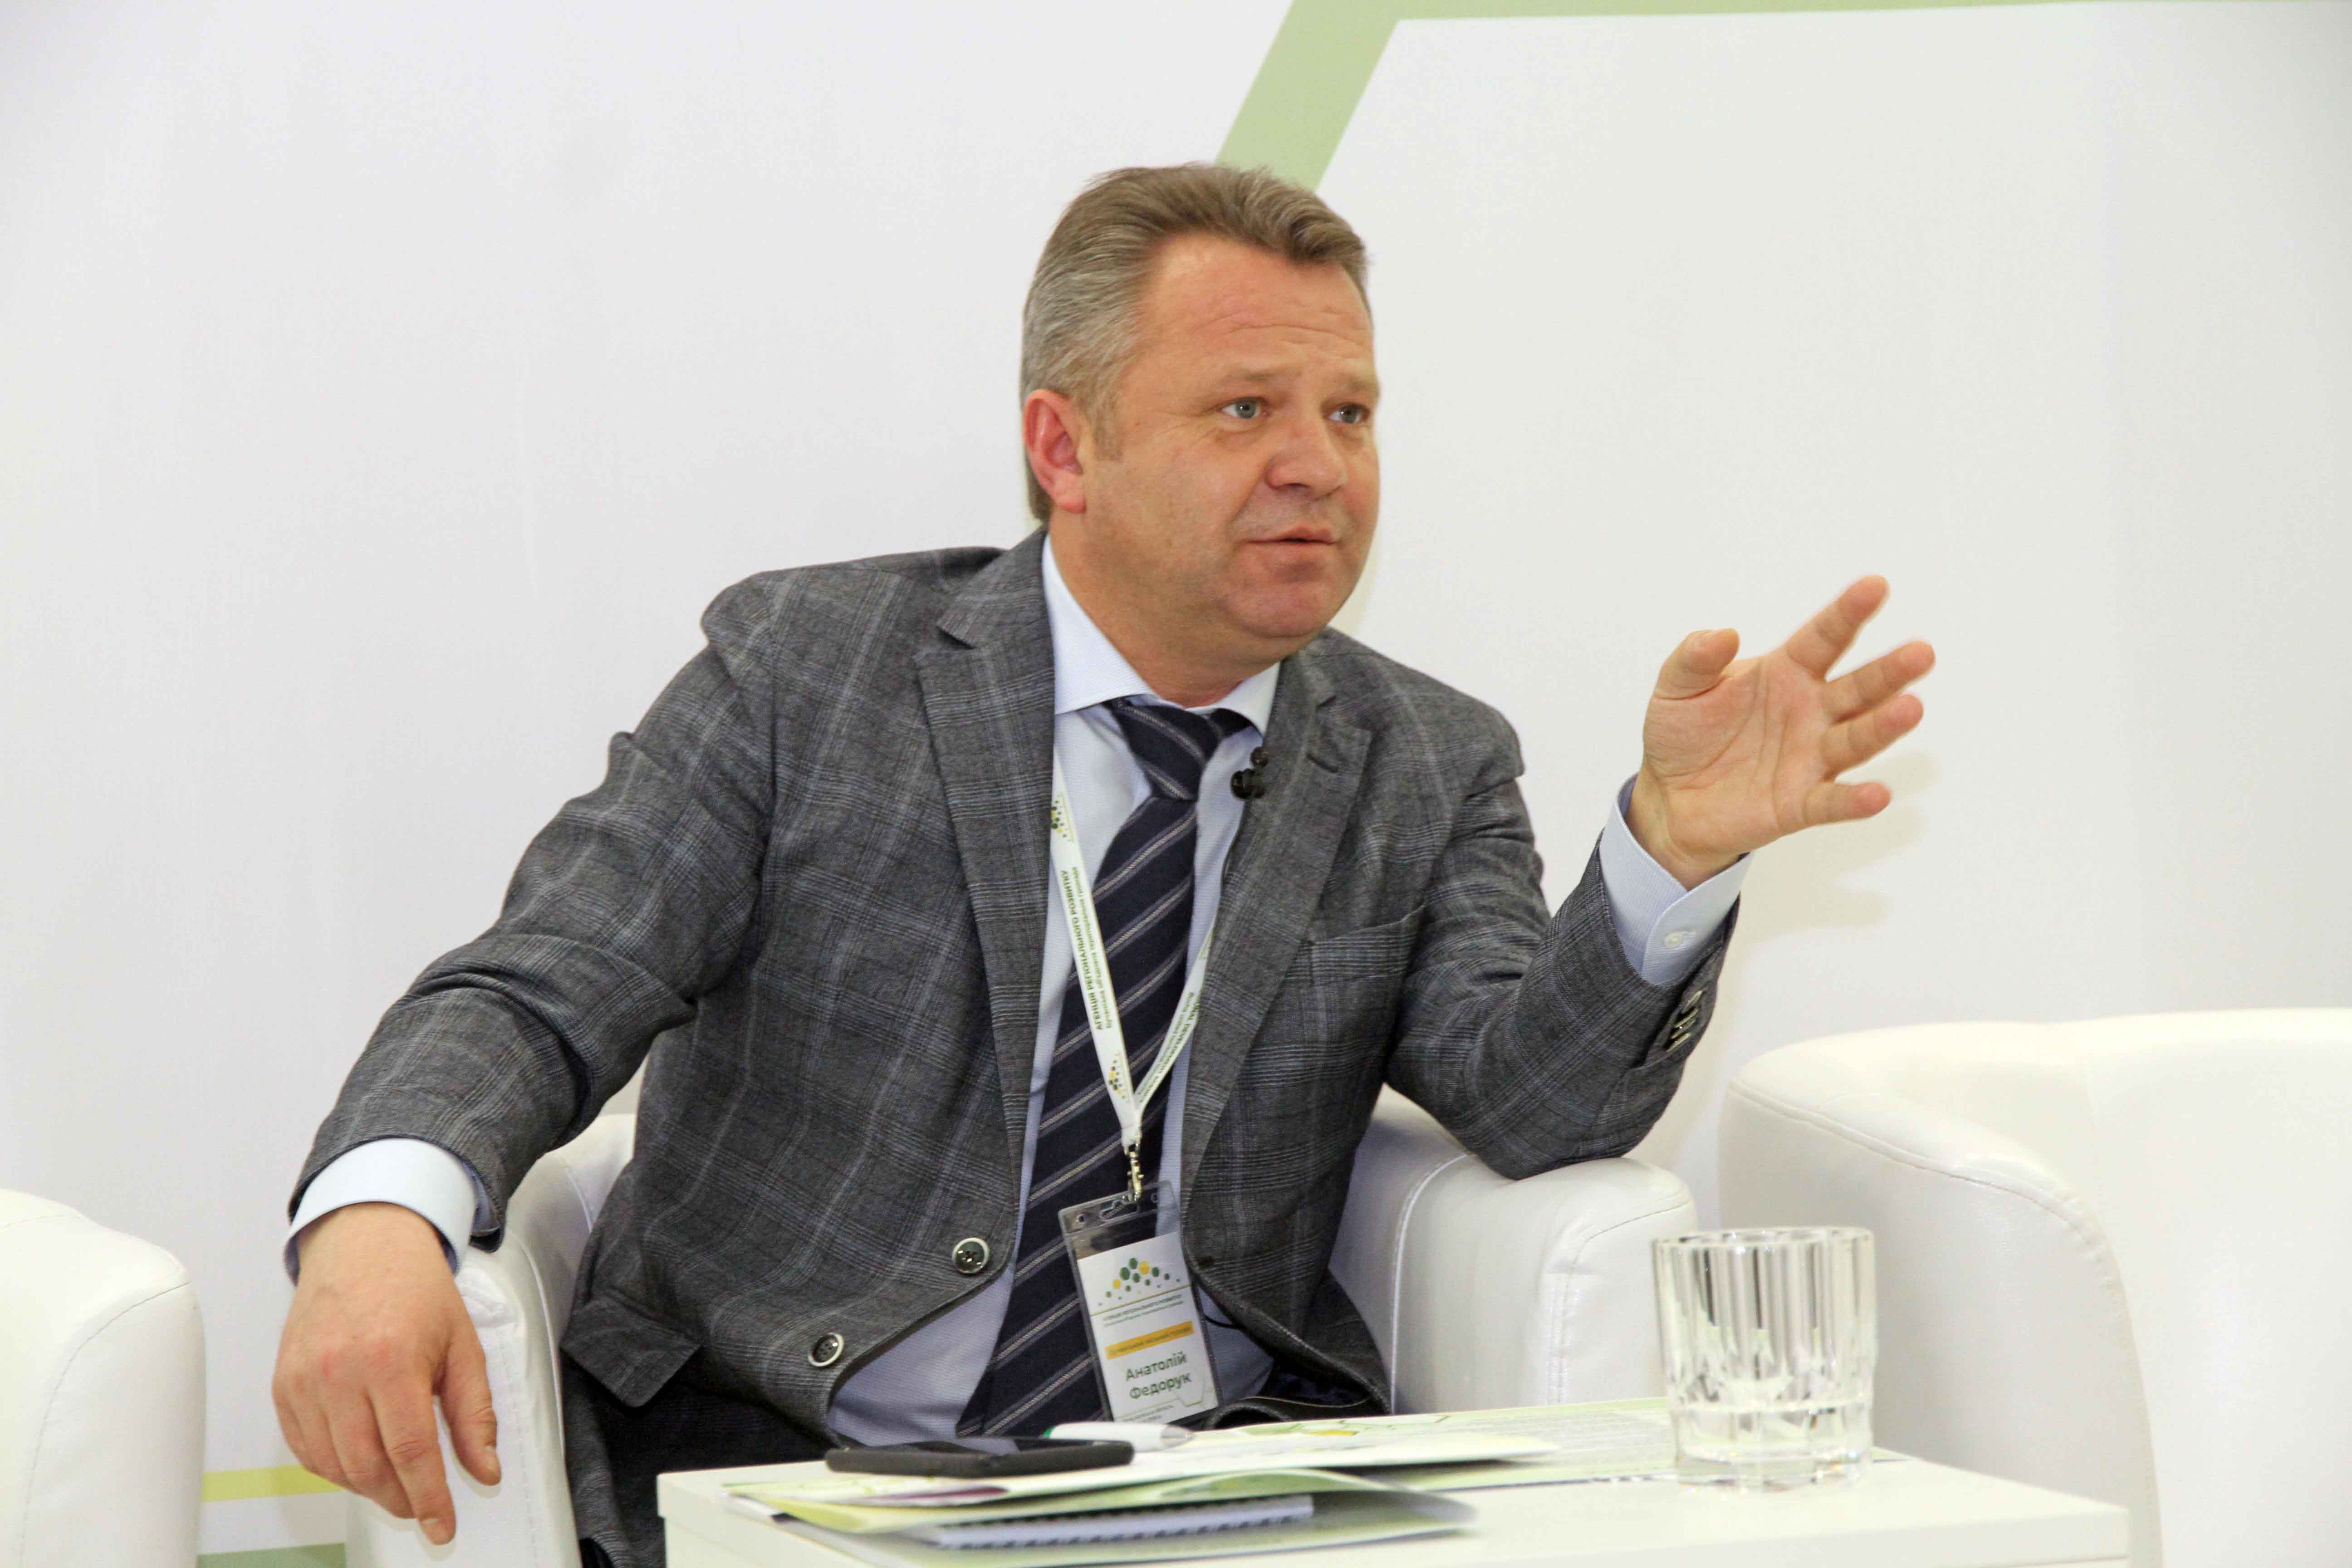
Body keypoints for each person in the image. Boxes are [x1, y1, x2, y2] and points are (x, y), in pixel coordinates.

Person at [274, 164, 1933, 1568]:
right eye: (1245, 410)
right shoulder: (809, 675)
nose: (1317, 462)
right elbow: (545, 981)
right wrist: (378, 1216)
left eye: (1351, 413)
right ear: (1065, 450)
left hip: (1217, 1484)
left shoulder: (1421, 759)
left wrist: (1673, 854)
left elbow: (1533, 1103)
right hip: (788, 1460)